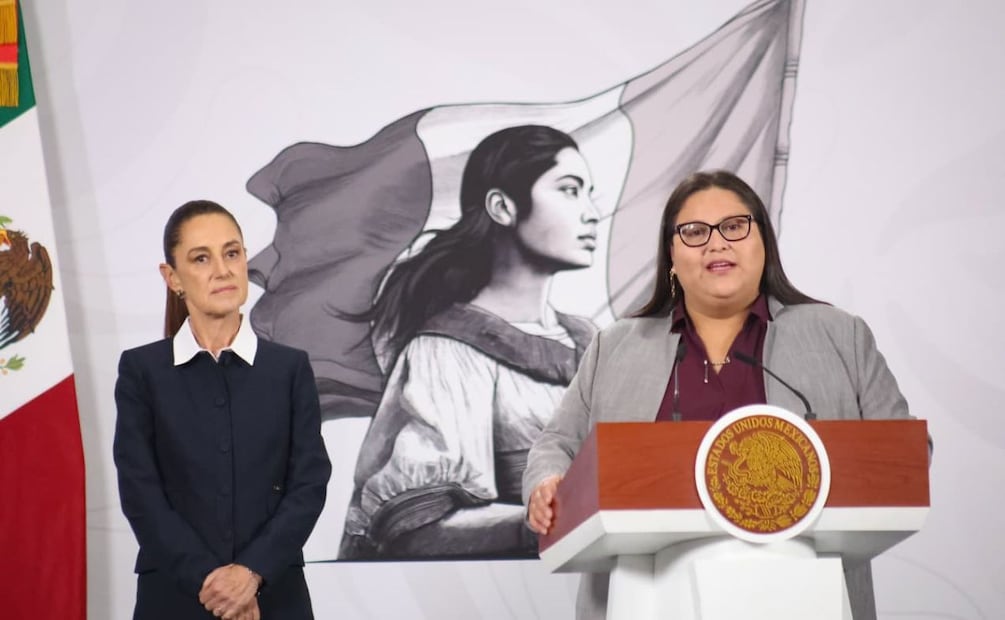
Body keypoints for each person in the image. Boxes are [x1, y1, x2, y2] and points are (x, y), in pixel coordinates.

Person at [522, 170, 913, 620]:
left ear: (762, 241)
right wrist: (547, 482)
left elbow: (905, 453)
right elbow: (556, 444)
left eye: (734, 226)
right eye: (693, 232)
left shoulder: (840, 336)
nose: (716, 243)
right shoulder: (615, 346)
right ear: (670, 253)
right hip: (647, 595)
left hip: (805, 593)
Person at [339, 125, 600, 559]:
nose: (591, 212)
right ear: (502, 207)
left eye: (591, 193)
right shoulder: (448, 350)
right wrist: (551, 519)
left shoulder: (592, 340)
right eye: (570, 191)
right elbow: (419, 526)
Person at [113, 200, 332, 619]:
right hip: (173, 599)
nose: (222, 269)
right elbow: (141, 493)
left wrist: (252, 574)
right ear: (172, 277)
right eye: (201, 258)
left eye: (232, 253)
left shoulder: (289, 368)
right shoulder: (142, 371)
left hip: (275, 598)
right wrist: (214, 585)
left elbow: (309, 483)